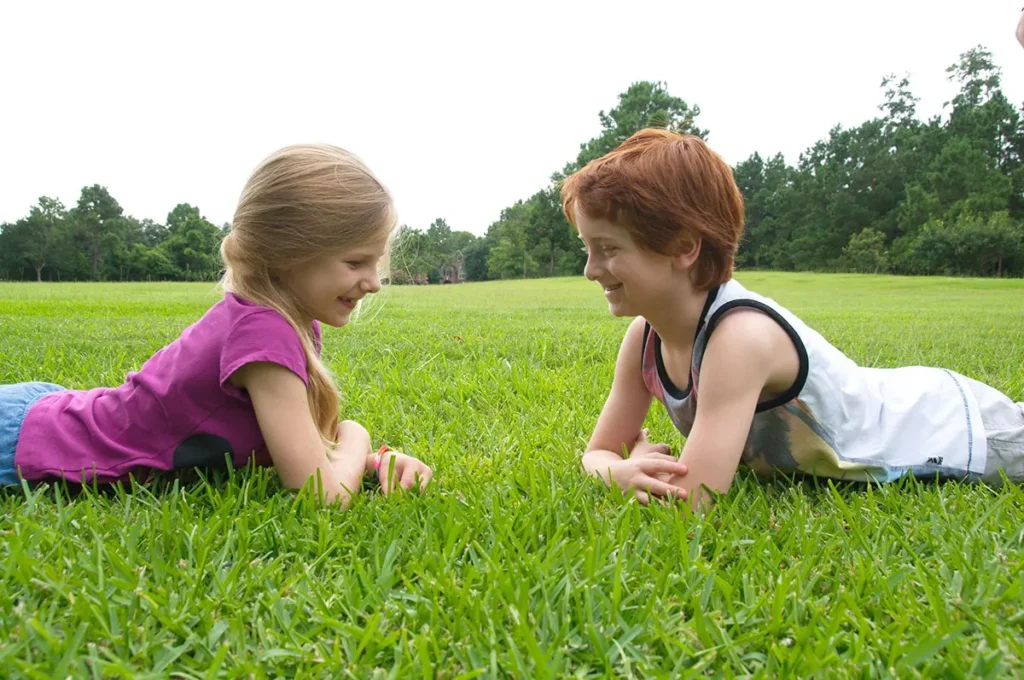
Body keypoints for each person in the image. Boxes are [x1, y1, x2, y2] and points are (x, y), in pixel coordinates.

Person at [561, 128, 1024, 510]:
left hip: (953, 427)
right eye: (588, 248)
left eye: (609, 249)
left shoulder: (738, 338)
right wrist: (621, 470)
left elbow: (691, 501)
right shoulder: (644, 339)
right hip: (911, 401)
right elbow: (597, 453)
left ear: (684, 247)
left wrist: (632, 467)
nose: (590, 269)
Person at [0, 144, 432, 506]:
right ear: (286, 255)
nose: (374, 282)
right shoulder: (264, 334)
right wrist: (357, 435)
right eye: (356, 261)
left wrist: (375, 462)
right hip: (32, 443)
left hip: (50, 414)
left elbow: (291, 441)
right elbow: (318, 493)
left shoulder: (279, 320)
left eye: (376, 262)